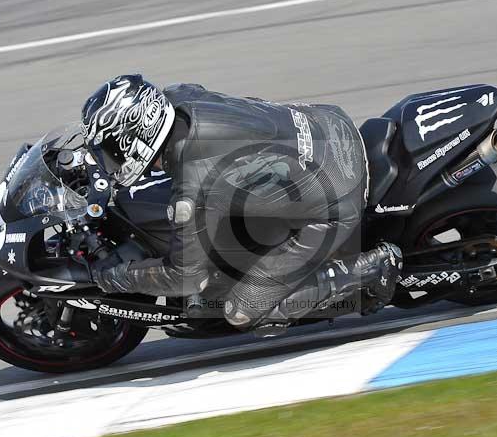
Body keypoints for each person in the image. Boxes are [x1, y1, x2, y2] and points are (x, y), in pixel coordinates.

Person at [83, 73, 402, 335]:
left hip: (338, 197)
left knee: (239, 311)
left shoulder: (194, 183)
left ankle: (367, 270)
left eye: (112, 150)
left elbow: (185, 277)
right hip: (327, 125)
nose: (111, 160)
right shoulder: (179, 97)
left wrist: (112, 277)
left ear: (137, 136)